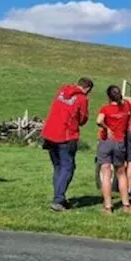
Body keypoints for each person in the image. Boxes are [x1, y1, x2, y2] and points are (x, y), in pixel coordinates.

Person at [40, 77, 93, 211]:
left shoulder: (62, 91)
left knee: (58, 167)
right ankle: (58, 199)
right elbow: (82, 119)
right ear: (87, 89)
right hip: (66, 135)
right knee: (68, 167)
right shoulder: (82, 99)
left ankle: (59, 197)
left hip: (50, 133)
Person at [95, 85, 131, 214]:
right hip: (119, 142)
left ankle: (108, 207)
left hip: (106, 142)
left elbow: (99, 120)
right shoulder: (126, 107)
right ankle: (126, 204)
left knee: (106, 174)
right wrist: (122, 99)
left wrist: (106, 127)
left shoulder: (105, 109)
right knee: (121, 173)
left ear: (108, 96)